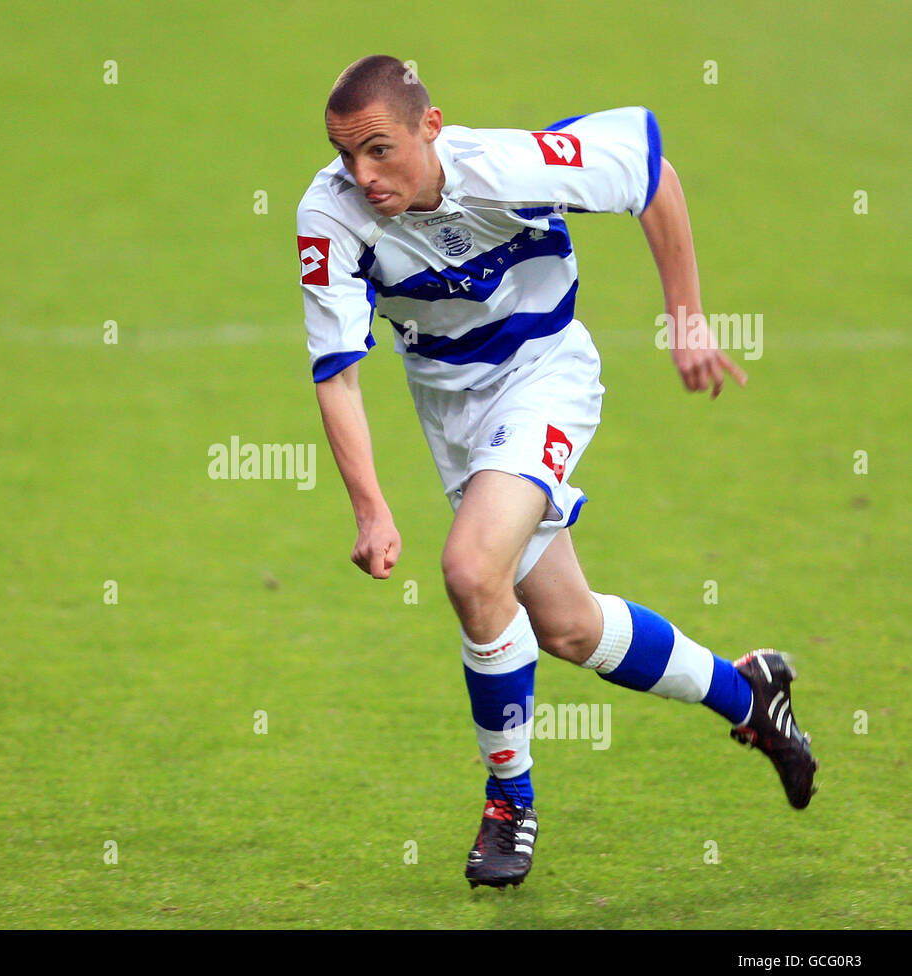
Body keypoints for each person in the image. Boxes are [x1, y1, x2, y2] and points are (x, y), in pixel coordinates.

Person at [296, 55, 817, 889]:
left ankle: (510, 801)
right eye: (345, 154)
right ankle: (750, 694)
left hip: (545, 379)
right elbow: (337, 371)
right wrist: (371, 507)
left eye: (380, 151)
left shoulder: (507, 164)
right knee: (568, 627)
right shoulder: (329, 216)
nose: (363, 175)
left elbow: (653, 175)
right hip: (454, 417)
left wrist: (687, 319)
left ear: (431, 129)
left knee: (471, 570)